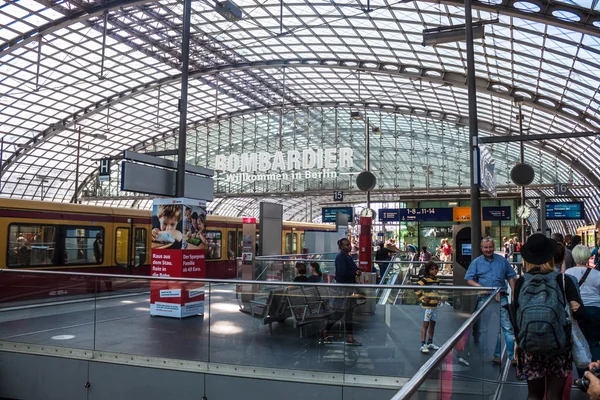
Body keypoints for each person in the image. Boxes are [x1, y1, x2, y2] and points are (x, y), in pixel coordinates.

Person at [514, 234, 587, 400]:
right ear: (550, 256)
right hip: (559, 346)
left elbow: (516, 315)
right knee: (555, 395)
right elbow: (582, 314)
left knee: (534, 394)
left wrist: (517, 343)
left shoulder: (521, 281)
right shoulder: (563, 280)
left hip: (530, 346)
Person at [465, 238, 517, 365]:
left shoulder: (502, 261)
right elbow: (469, 279)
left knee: (506, 328)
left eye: (490, 247)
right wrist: (482, 288)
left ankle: (510, 356)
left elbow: (511, 276)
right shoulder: (476, 262)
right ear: (482, 248)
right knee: (483, 328)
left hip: (502, 297)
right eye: (486, 247)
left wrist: (514, 294)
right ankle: (485, 355)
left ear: (494, 247)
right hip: (484, 298)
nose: (488, 250)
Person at [566, 245, 600, 379]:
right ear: (588, 257)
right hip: (596, 311)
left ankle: (583, 377)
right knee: (594, 342)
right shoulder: (597, 274)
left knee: (579, 344)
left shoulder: (568, 273)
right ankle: (596, 374)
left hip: (577, 312)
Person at [320, 238, 361, 346]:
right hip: (344, 289)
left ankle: (349, 336)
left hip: (348, 289)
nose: (349, 246)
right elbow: (342, 273)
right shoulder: (341, 257)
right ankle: (328, 330)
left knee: (347, 313)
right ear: (341, 246)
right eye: (346, 245)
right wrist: (355, 272)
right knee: (341, 313)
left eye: (349, 245)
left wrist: (355, 271)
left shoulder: (347, 256)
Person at [415, 261, 442, 354]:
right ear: (428, 270)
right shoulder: (425, 280)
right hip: (427, 306)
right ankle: (423, 344)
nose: (434, 271)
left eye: (435, 269)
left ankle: (430, 342)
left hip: (434, 305)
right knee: (425, 324)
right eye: (432, 269)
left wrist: (440, 298)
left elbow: (438, 290)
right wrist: (422, 297)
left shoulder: (437, 280)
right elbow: (416, 287)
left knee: (433, 324)